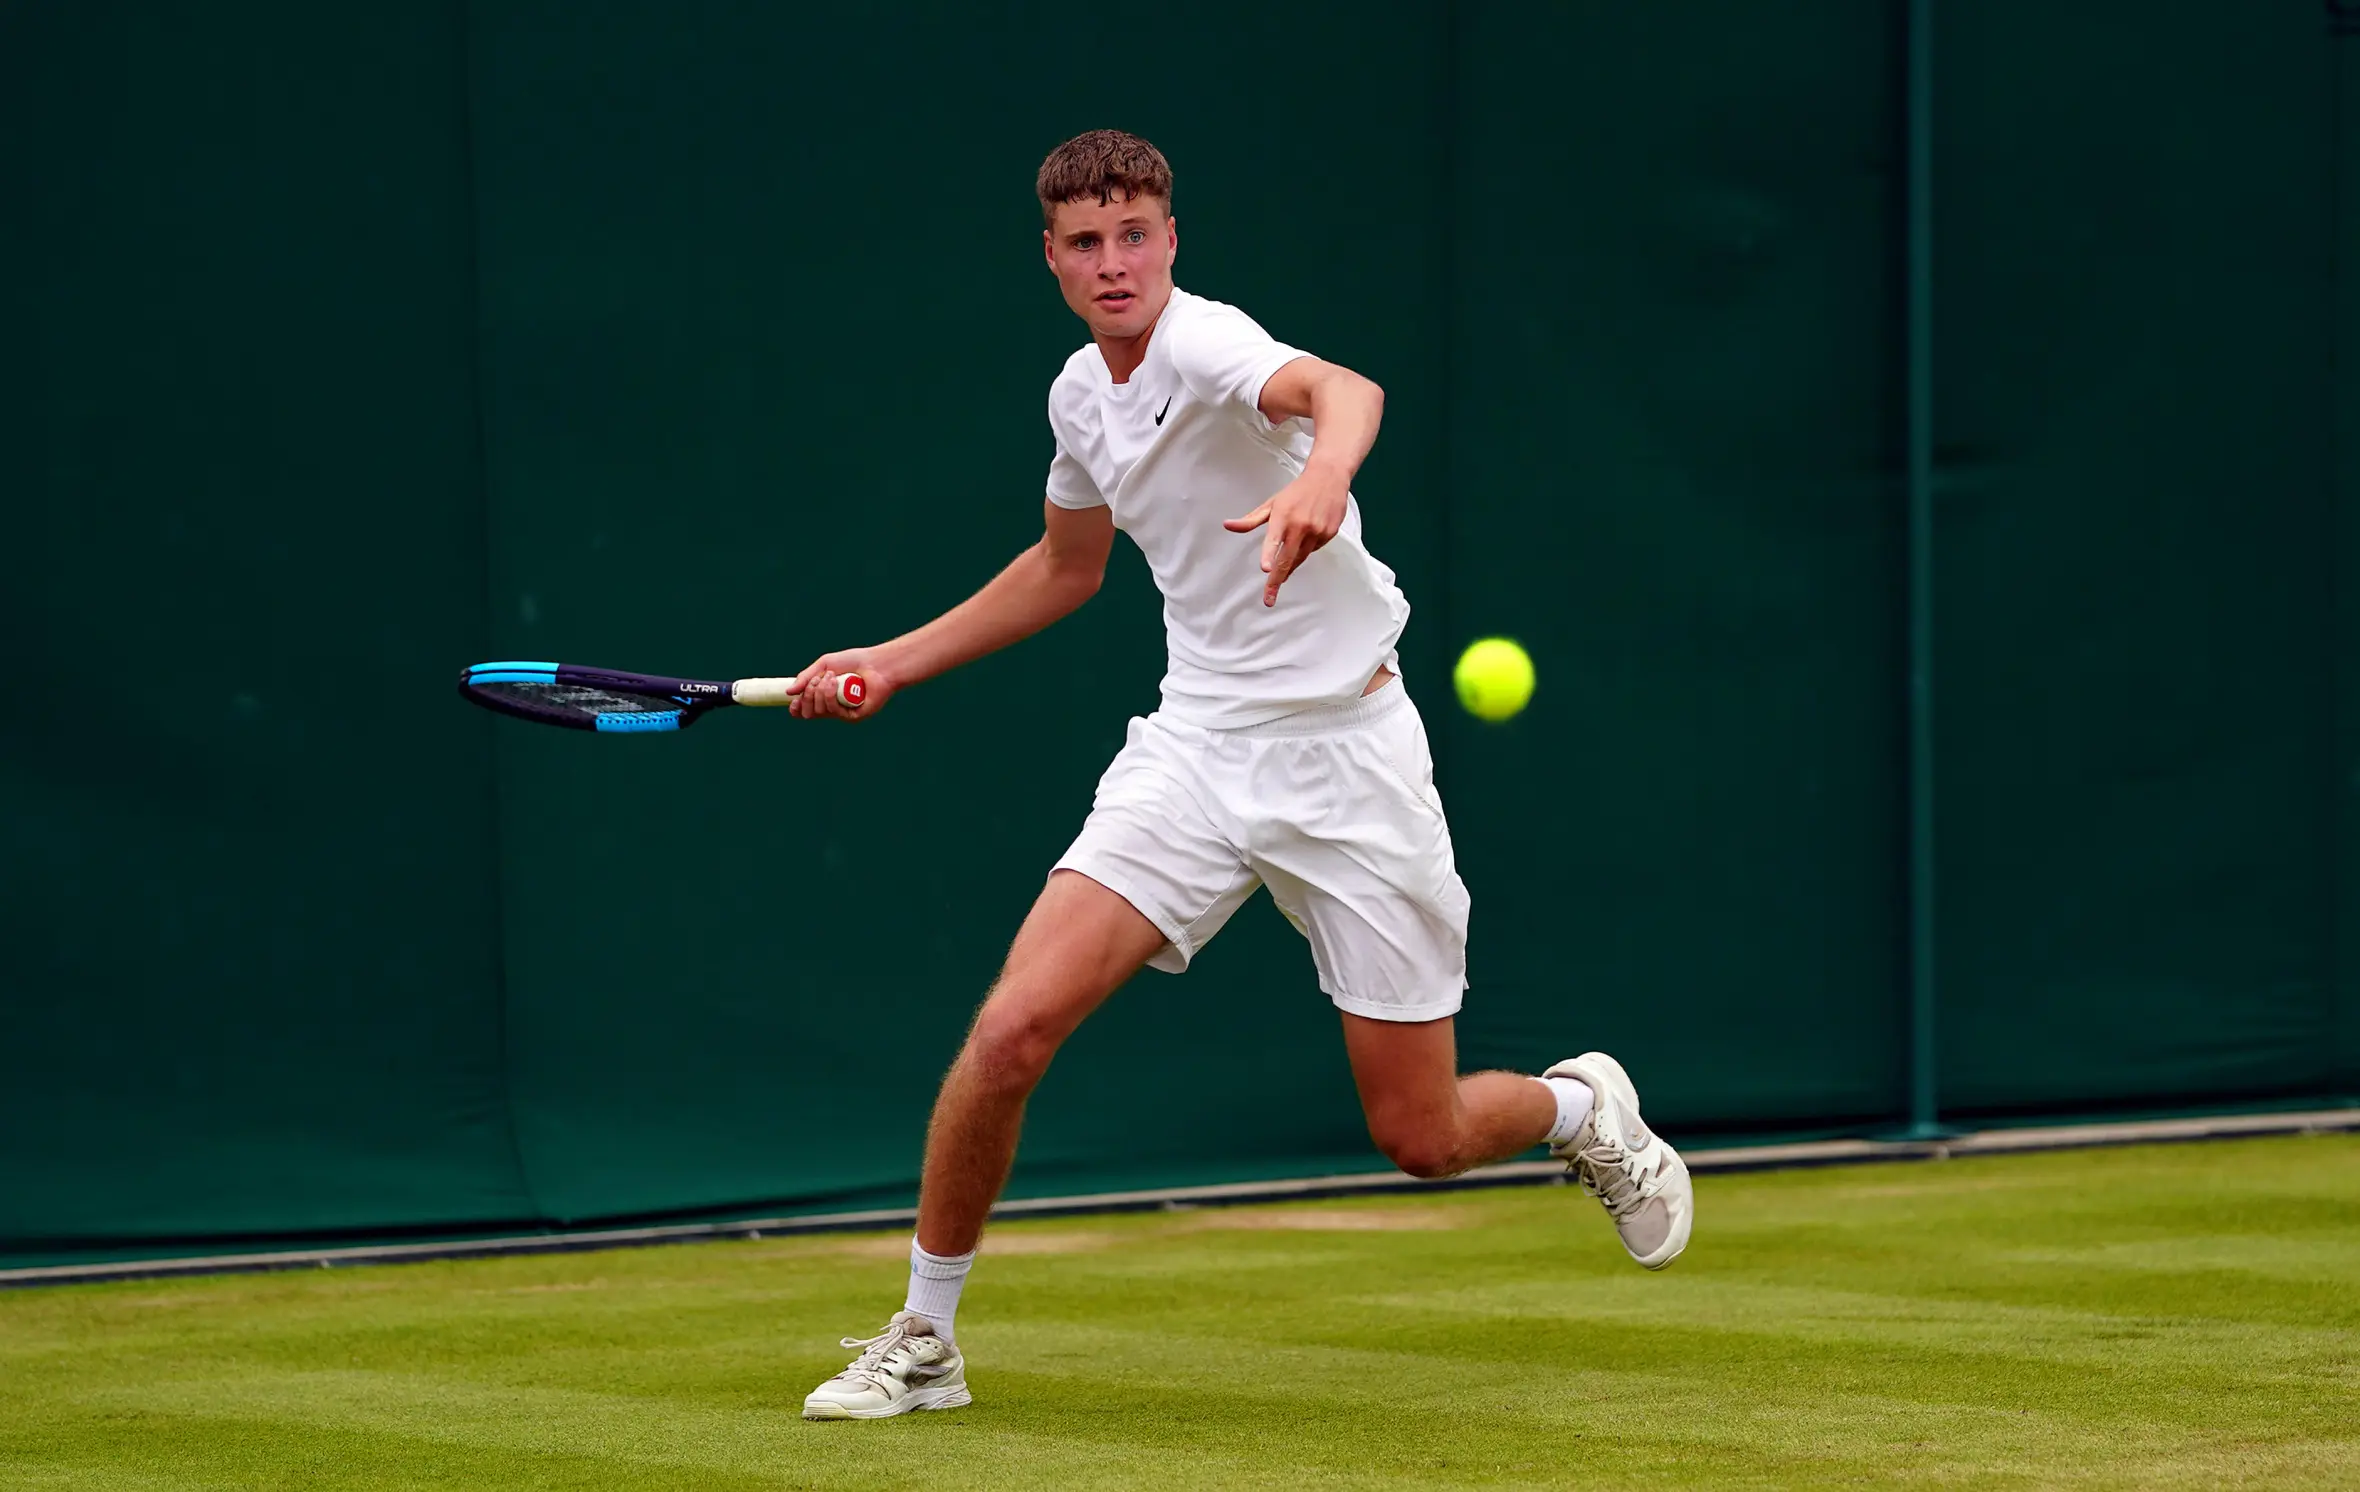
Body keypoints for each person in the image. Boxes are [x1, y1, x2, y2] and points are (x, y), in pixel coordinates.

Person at [786, 129, 1693, 1421]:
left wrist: (1320, 479)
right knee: (1008, 1032)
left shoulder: (1209, 347)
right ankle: (925, 1341)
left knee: (1420, 1136)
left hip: (1348, 757)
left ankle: (1576, 1108)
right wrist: (892, 659)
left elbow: (1350, 391)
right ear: (1049, 258)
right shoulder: (1076, 400)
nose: (1115, 263)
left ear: (1170, 240)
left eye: (1136, 234)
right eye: (1087, 242)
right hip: (1198, 751)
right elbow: (1066, 569)